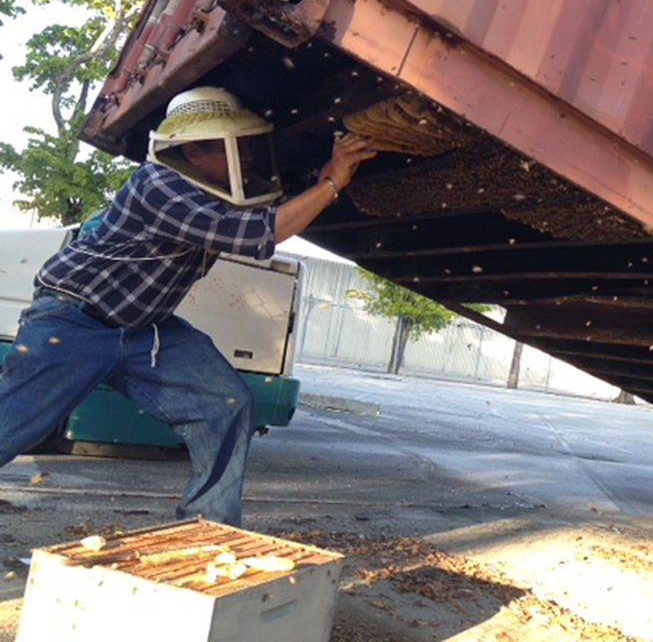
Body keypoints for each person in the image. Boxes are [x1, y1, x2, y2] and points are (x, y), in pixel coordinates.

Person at [0, 87, 376, 526]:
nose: (248, 157)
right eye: (233, 148)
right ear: (194, 153)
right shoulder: (158, 185)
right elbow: (259, 237)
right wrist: (332, 182)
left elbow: (276, 198)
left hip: (145, 330)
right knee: (12, 425)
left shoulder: (215, 191)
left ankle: (208, 529)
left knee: (226, 402)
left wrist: (334, 160)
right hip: (73, 323)